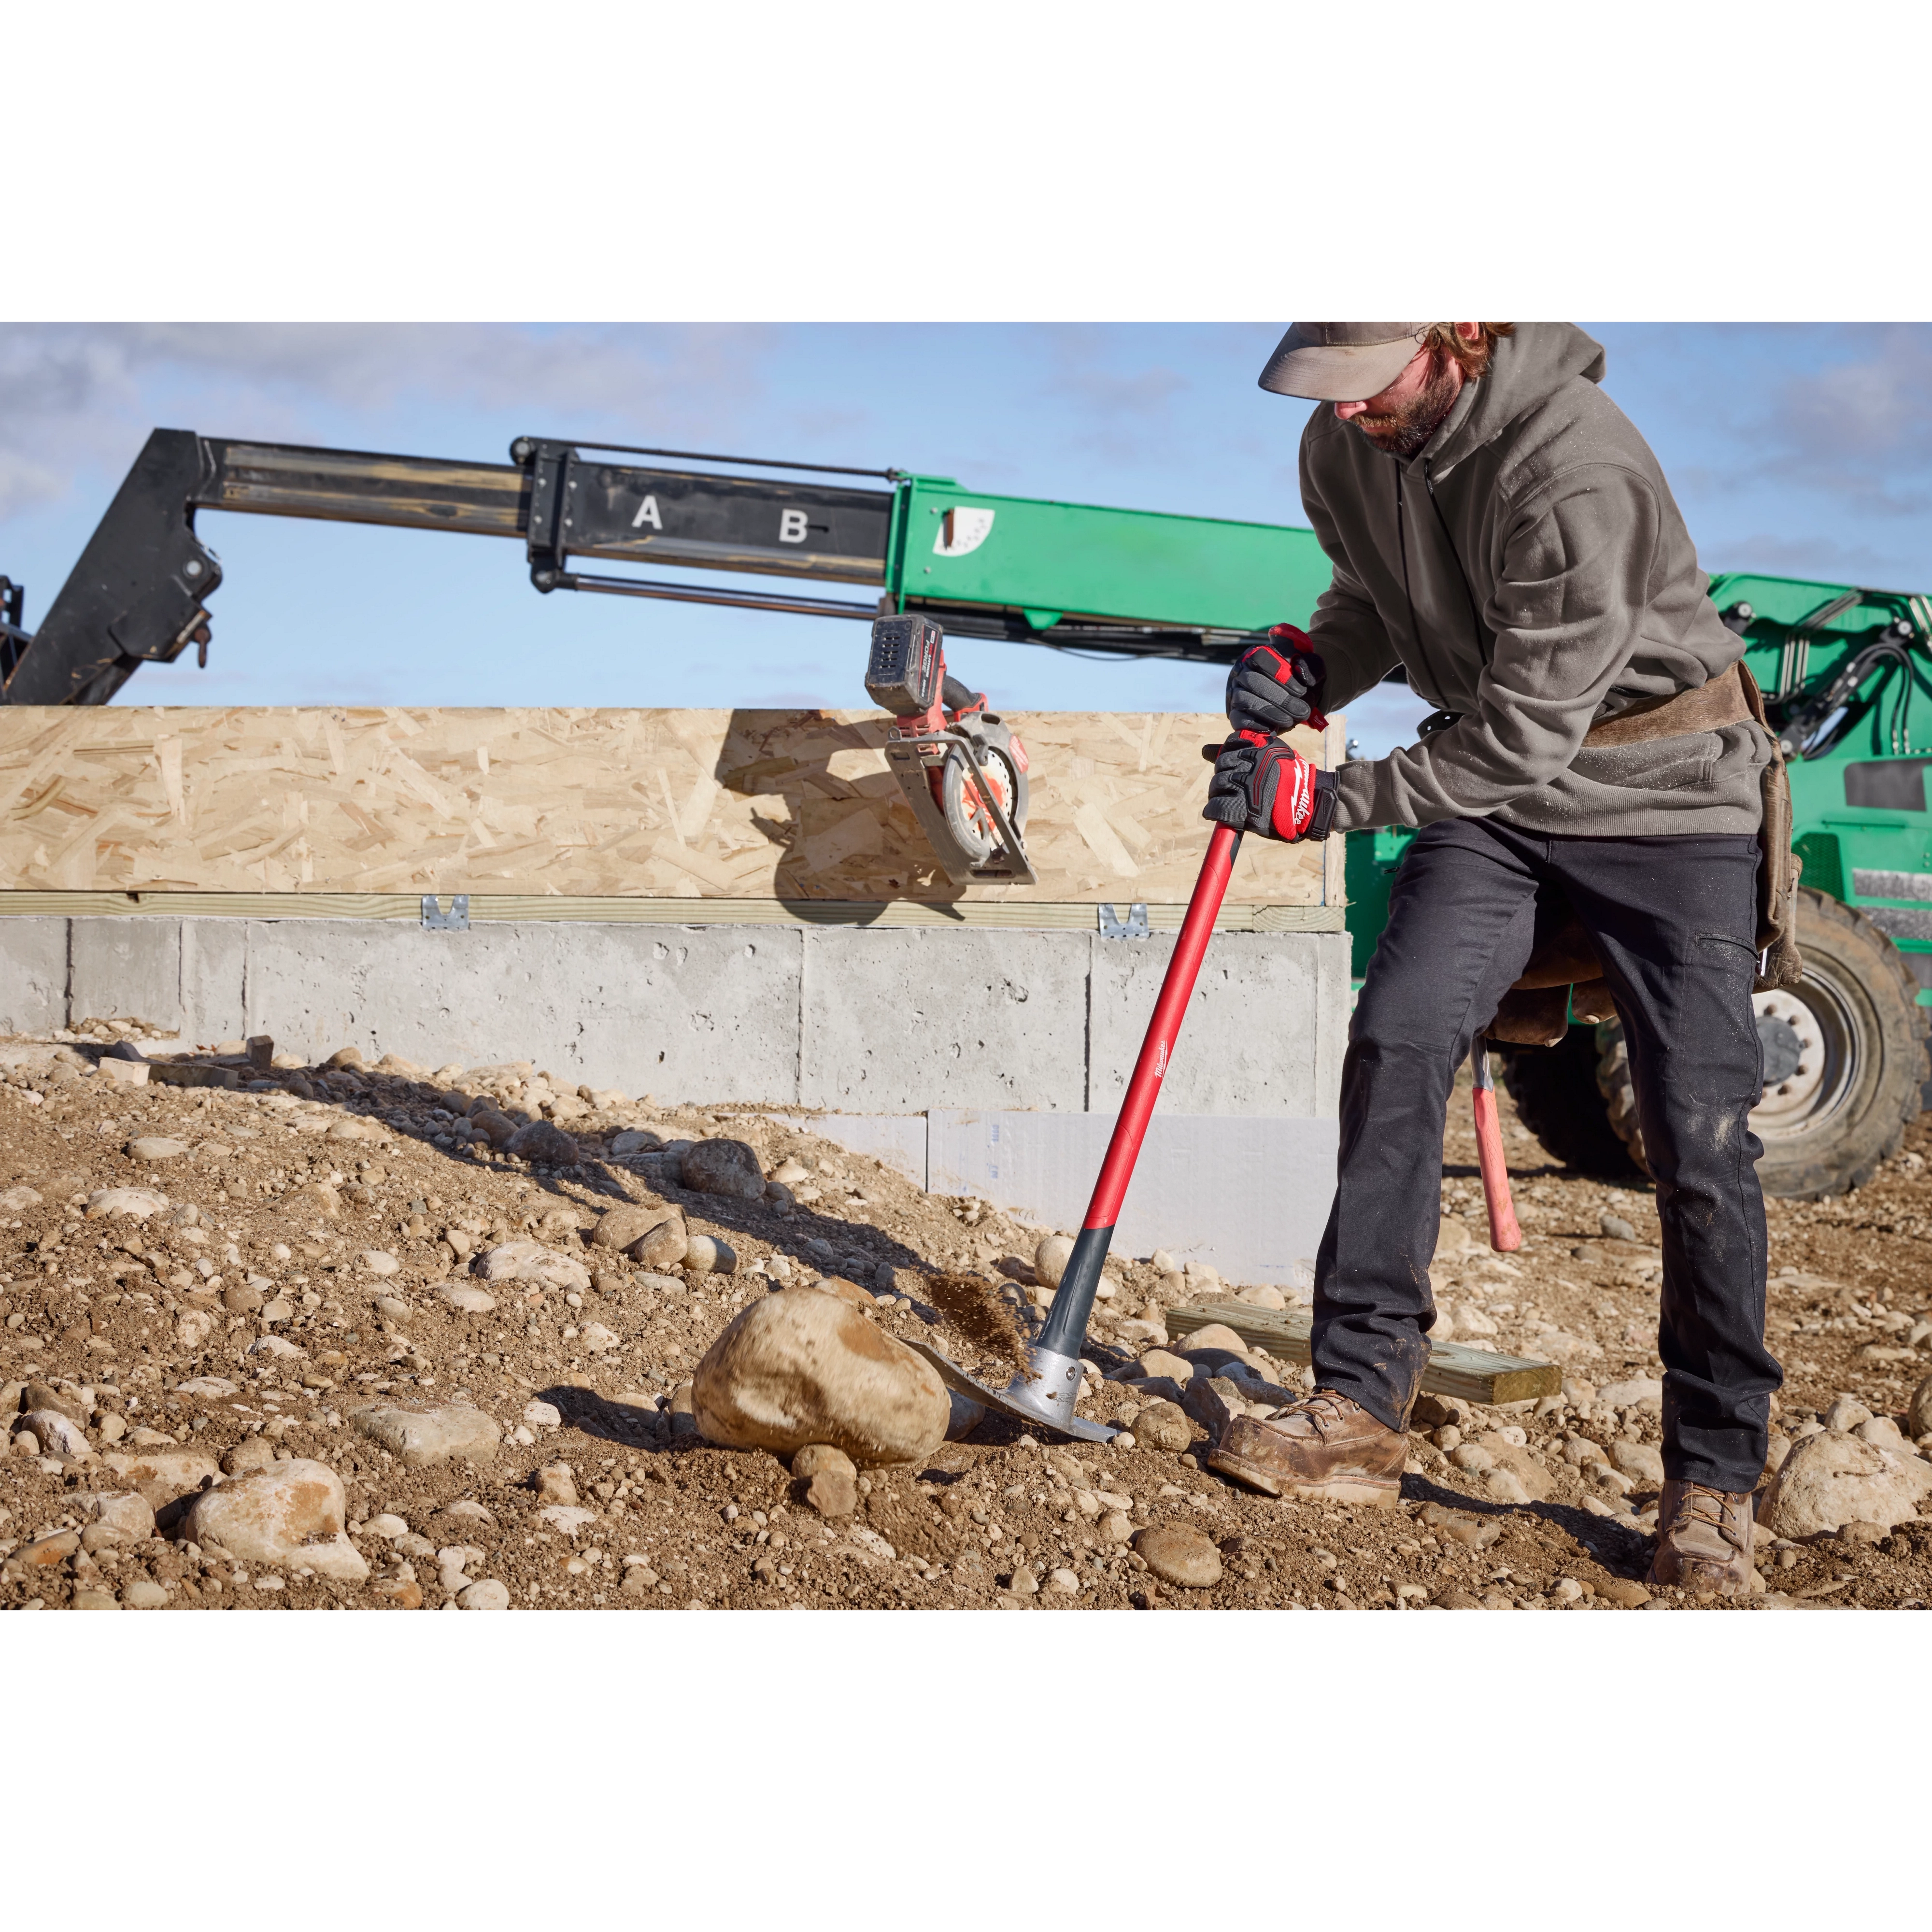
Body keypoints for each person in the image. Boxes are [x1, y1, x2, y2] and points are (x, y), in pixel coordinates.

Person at [1201, 320, 1780, 1599]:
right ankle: (1356, 1404)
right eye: (1330, 386)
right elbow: (1372, 606)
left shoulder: (1577, 470)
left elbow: (1523, 736)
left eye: (1371, 383)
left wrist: (1331, 800)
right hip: (1505, 789)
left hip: (1667, 789)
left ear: (1461, 338)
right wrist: (1311, 663)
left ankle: (1716, 1481)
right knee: (1401, 1032)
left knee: (1697, 1129)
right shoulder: (1343, 443)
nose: (1347, 412)